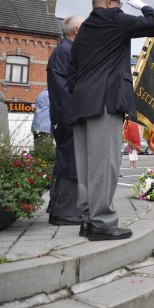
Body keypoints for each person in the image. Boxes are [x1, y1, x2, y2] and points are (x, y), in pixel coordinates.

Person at [68, 0, 154, 240]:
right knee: (105, 165)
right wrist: (142, 5)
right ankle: (102, 222)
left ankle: (88, 220)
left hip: (81, 103)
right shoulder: (115, 18)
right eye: (120, 4)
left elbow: (72, 70)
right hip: (104, 101)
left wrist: (81, 92)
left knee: (87, 165)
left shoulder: (85, 28)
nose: (122, 8)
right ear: (111, 3)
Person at [46, 15, 84, 226]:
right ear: (77, 31)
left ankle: (58, 208)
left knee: (67, 158)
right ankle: (66, 211)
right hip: (70, 116)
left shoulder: (63, 50)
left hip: (65, 115)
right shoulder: (67, 51)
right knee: (70, 160)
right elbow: (68, 90)